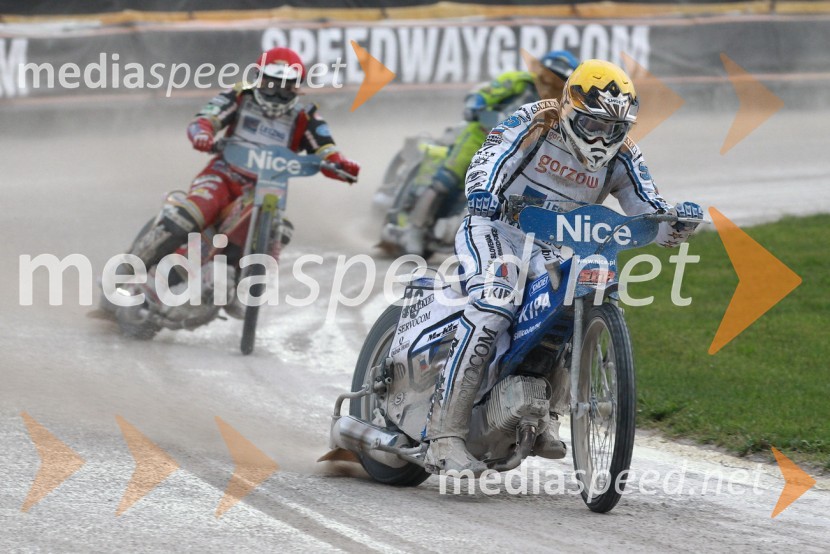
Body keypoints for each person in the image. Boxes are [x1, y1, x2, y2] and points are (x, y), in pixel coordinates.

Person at [423, 59, 704, 474]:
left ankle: (546, 414)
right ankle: (443, 435)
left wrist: (676, 225)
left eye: (614, 129)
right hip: (499, 226)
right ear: (571, 107)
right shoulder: (535, 119)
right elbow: (489, 158)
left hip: (557, 243)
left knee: (578, 297)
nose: (603, 137)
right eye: (594, 125)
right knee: (496, 301)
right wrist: (483, 191)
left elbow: (650, 214)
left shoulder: (624, 155)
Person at [128, 47, 360, 286]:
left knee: (282, 230)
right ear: (259, 80)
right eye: (271, 86)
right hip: (222, 176)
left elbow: (326, 149)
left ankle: (241, 282)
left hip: (265, 191)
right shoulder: (239, 95)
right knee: (195, 212)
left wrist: (341, 165)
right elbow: (206, 118)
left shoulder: (307, 117)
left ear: (297, 88)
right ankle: (126, 271)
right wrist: (203, 134)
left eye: (286, 88)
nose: (277, 95)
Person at [400, 50, 580, 256]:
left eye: (559, 79)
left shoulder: (562, 105)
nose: (550, 81)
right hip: (482, 134)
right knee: (446, 180)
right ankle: (414, 229)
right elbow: (485, 92)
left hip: (518, 149)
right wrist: (475, 104)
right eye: (548, 73)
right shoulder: (518, 81)